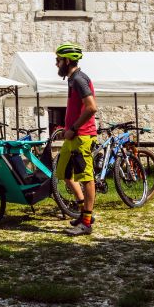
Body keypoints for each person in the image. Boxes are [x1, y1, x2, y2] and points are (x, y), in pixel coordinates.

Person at [54, 43, 99, 236]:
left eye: (58, 60)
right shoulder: (72, 80)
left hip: (82, 137)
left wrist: (73, 128)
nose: (56, 64)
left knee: (86, 177)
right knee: (64, 173)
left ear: (67, 60)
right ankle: (83, 212)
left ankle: (87, 223)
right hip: (73, 136)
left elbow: (91, 107)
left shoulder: (79, 79)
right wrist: (66, 129)